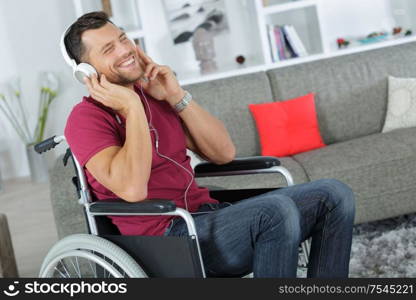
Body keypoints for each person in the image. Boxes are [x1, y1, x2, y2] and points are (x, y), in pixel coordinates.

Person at [64, 12, 355, 278]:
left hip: (207, 216)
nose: (125, 50)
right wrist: (131, 107)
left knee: (334, 194)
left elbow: (223, 153)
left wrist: (175, 95)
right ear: (87, 71)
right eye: (108, 49)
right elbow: (133, 189)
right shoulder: (86, 119)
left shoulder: (154, 93)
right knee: (275, 211)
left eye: (123, 39)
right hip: (166, 238)